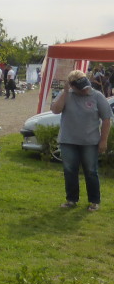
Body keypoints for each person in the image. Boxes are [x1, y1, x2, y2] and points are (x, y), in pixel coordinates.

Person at [50, 70, 112, 212]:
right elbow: (55, 110)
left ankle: (94, 201)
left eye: (86, 86)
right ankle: (71, 199)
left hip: (90, 142)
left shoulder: (97, 96)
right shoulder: (67, 95)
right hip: (68, 140)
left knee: (91, 171)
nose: (85, 90)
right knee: (70, 170)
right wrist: (65, 92)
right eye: (81, 87)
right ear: (72, 86)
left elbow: (106, 119)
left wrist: (103, 141)